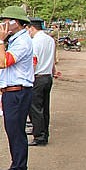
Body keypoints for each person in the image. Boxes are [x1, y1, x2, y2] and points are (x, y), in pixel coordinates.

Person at [0, 6, 34, 170]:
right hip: (13, 92)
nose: (2, 25)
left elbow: (3, 62)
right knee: (12, 131)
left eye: (5, 21)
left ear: (15, 22)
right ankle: (16, 165)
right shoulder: (17, 40)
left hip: (18, 92)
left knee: (16, 132)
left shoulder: (22, 42)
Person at [28, 18, 55, 146]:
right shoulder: (50, 40)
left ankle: (39, 136)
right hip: (48, 77)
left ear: (32, 28)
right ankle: (44, 132)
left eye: (28, 29)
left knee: (35, 108)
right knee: (45, 108)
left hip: (37, 77)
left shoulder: (35, 42)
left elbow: (34, 61)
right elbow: (53, 58)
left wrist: (29, 77)